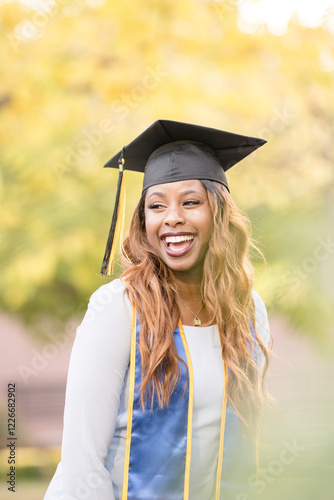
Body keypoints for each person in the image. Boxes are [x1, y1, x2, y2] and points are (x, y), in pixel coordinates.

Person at [44, 119, 271, 500]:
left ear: (219, 213)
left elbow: (245, 452)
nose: (172, 218)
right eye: (156, 205)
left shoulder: (248, 312)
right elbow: (83, 463)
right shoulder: (119, 309)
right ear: (143, 220)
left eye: (191, 202)